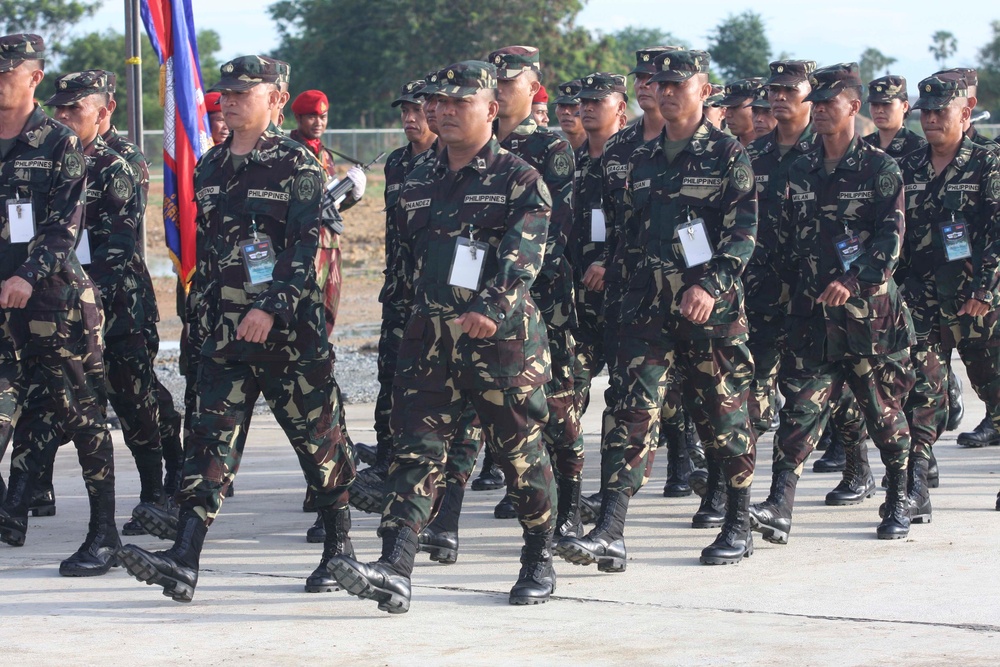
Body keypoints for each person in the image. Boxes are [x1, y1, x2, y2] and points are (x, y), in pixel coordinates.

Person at [117, 55, 356, 603]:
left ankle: (338, 548)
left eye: (244, 92)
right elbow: (214, 253)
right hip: (223, 334)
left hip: (288, 334)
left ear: (275, 99)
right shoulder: (211, 166)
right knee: (209, 441)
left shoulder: (298, 164)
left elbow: (306, 250)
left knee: (317, 440)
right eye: (225, 92)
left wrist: (270, 307)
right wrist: (200, 322)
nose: (229, 99)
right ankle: (184, 558)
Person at [327, 60, 557, 612]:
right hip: (429, 340)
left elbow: (524, 256)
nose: (446, 111)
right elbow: (406, 264)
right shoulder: (416, 180)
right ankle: (397, 564)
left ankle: (538, 555)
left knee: (519, 452)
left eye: (460, 102)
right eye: (439, 102)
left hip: (500, 345)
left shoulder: (518, 178)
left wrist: (491, 306)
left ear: (491, 109)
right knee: (415, 452)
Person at [557, 49, 758, 568]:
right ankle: (611, 530)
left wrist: (710, 285)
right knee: (629, 412)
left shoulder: (727, 154)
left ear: (703, 90)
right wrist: (608, 273)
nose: (665, 92)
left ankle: (738, 519)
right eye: (657, 84)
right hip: (644, 309)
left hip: (707, 313)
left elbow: (742, 233)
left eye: (676, 84)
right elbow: (614, 225)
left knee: (722, 413)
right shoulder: (630, 152)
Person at [750, 63, 916, 543]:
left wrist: (854, 277)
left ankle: (898, 497)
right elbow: (778, 239)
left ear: (853, 107)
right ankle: (780, 504)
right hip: (811, 316)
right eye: (815, 103)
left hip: (867, 318)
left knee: (883, 414)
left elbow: (890, 238)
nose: (819, 111)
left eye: (828, 104)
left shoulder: (879, 168)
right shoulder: (797, 168)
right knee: (799, 410)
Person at [0, 34, 118, 576]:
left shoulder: (57, 142)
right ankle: (12, 509)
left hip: (49, 302)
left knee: (77, 412)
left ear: (34, 78)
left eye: (9, 70)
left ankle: (103, 533)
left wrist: (25, 275)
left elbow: (62, 227)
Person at [42, 70, 169, 538]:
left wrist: (78, 291)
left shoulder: (120, 163)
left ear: (105, 109)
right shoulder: (57, 157)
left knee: (133, 398)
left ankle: (156, 492)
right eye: (58, 108)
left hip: (117, 304)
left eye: (74, 108)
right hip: (64, 300)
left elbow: (117, 249)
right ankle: (31, 491)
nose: (62, 116)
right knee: (61, 398)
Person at [897, 74, 1000, 517]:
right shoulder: (909, 165)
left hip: (977, 303)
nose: (932, 119)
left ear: (967, 108)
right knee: (921, 392)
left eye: (942, 111)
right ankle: (916, 485)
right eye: (927, 112)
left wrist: (986, 288)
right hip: (921, 302)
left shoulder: (988, 163)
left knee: (995, 393)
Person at [487, 45, 580, 528]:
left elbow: (556, 226)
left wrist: (513, 279)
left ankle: (570, 492)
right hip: (484, 299)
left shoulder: (550, 147)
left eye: (510, 82)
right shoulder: (476, 145)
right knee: (497, 401)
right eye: (495, 82)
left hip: (540, 297)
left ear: (532, 85)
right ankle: (516, 487)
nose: (501, 91)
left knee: (553, 399)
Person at [862, 75, 926, 159]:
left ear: (905, 106)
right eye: (874, 104)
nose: (879, 110)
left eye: (886, 104)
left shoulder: (920, 148)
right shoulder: (861, 146)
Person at [720, 77, 764, 146]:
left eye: (735, 107)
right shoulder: (725, 152)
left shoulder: (779, 151)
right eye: (727, 108)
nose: (727, 114)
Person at [554, 79, 585, 150]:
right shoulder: (553, 151)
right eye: (561, 105)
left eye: (573, 105)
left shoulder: (604, 151)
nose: (565, 111)